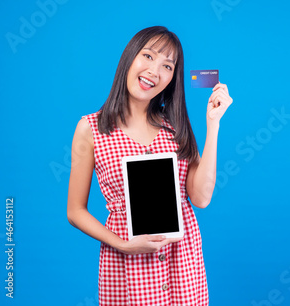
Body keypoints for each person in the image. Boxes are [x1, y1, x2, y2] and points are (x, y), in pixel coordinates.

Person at [66, 26, 232, 305]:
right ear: (129, 58)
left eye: (167, 65)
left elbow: (201, 198)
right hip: (126, 263)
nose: (155, 71)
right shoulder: (90, 128)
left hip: (183, 261)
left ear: (172, 79)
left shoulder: (175, 125)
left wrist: (213, 125)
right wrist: (123, 244)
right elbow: (75, 211)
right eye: (148, 56)